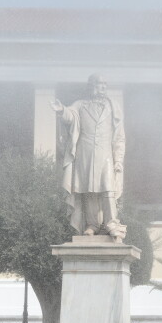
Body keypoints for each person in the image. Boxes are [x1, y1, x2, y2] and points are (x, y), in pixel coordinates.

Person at [51, 74, 126, 239]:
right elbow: (70, 116)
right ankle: (92, 224)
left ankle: (112, 223)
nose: (102, 87)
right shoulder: (80, 105)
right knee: (88, 190)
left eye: (105, 84)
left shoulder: (113, 107)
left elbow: (119, 136)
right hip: (84, 153)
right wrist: (62, 110)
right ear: (91, 86)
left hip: (106, 154)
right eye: (99, 84)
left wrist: (119, 159)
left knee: (108, 189)